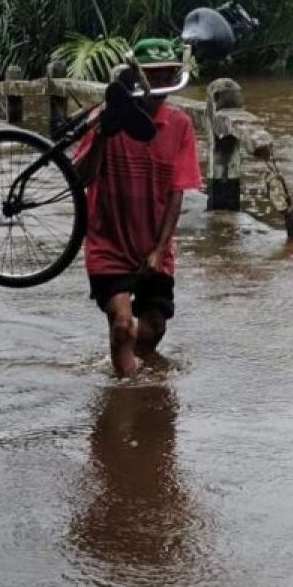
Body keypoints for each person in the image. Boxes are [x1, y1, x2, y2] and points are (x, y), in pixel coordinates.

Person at [73, 38, 202, 377]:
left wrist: (159, 249)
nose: (159, 87)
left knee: (153, 329)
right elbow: (80, 176)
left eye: (166, 76)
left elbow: (177, 193)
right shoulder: (107, 117)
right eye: (152, 77)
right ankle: (125, 402)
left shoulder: (179, 126)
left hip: (153, 243)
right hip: (108, 242)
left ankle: (132, 376)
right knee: (121, 324)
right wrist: (102, 133)